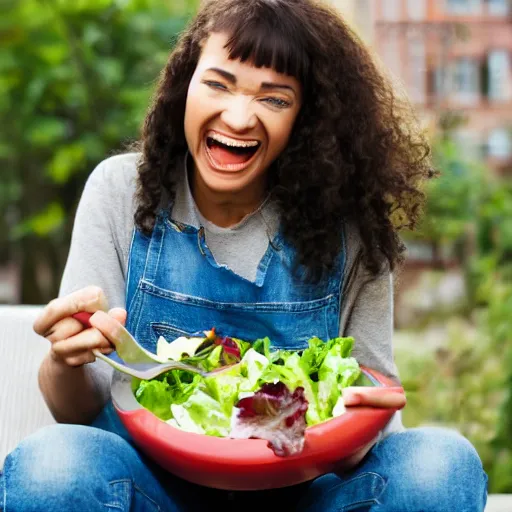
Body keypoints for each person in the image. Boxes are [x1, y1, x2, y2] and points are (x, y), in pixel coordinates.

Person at [1, 0, 488, 510]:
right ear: (184, 85)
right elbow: (77, 412)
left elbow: (368, 432)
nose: (237, 116)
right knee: (49, 466)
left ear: (306, 118)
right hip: (154, 489)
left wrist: (353, 423)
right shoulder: (121, 191)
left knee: (442, 466)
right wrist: (65, 360)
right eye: (218, 83)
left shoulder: (352, 226)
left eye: (274, 99)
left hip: (306, 493)